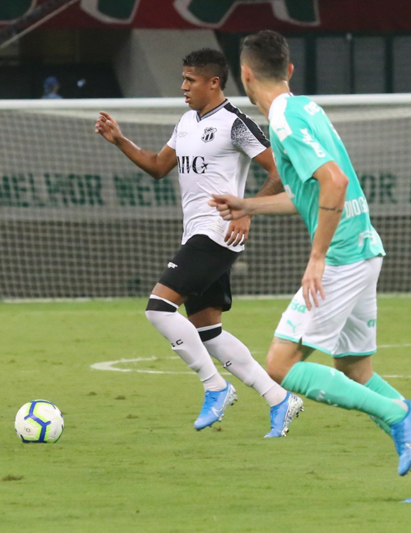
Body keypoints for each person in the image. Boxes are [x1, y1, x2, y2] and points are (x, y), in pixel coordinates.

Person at [209, 30, 411, 502]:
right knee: (355, 368)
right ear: (288, 70)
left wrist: (317, 257)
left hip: (343, 256)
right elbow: (310, 195)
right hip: (365, 246)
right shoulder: (304, 108)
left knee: (281, 366)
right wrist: (249, 206)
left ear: (245, 75)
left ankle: (400, 415)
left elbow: (334, 181)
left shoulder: (284, 121)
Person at [95, 48, 303, 438]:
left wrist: (246, 210)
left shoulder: (235, 123)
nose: (183, 87)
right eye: (183, 79)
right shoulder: (187, 121)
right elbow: (159, 166)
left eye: (190, 80)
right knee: (209, 333)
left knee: (158, 309)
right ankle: (279, 399)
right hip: (196, 233)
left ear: (213, 82)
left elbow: (279, 169)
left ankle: (215, 387)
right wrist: (120, 141)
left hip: (218, 232)